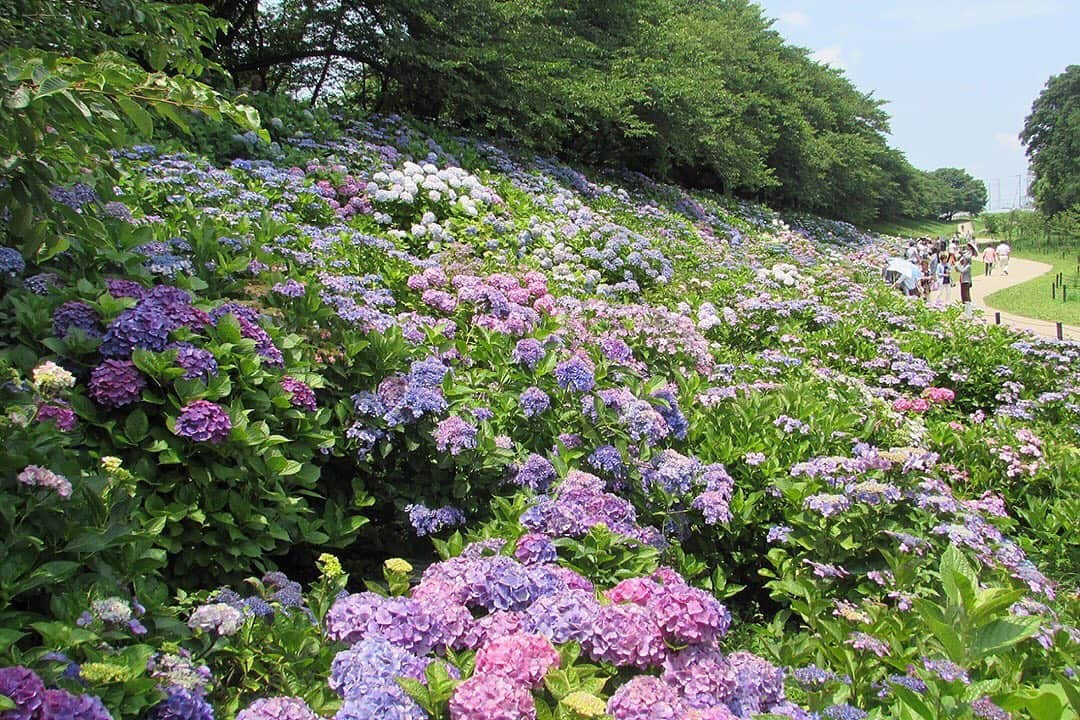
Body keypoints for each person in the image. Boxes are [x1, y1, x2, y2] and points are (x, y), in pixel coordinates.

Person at [958, 246, 974, 315]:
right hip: (963, 281)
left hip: (966, 282)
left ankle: (969, 310)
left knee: (966, 296)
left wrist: (957, 266)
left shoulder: (968, 266)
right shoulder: (964, 265)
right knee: (963, 296)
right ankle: (965, 310)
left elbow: (962, 271)